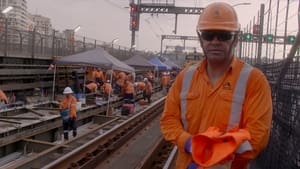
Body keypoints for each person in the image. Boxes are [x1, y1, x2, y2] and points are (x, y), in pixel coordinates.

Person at [160, 2, 272, 169]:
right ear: (200, 38)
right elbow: (169, 119)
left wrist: (211, 159)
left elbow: (257, 136)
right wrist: (189, 143)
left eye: (224, 35)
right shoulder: (185, 77)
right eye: (209, 35)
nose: (215, 41)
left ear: (235, 39)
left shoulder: (254, 80)